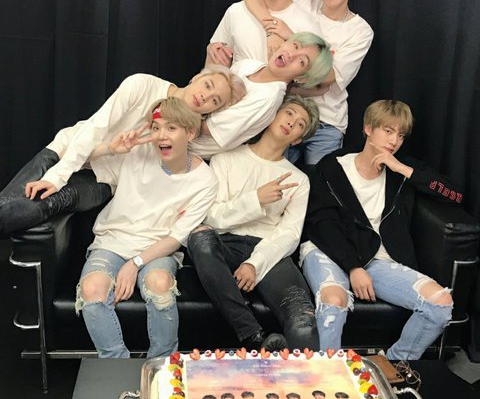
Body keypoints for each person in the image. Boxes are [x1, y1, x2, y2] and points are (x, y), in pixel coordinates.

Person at [0, 67, 244, 236]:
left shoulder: (186, 134)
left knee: (40, 205)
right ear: (196, 77)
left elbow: (233, 137)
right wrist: (56, 176)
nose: (205, 96)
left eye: (215, 101)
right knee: (8, 203)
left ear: (211, 112)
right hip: (67, 152)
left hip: (102, 180)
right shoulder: (141, 85)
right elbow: (95, 128)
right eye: (207, 85)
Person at [301, 100, 458, 360]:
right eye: (388, 131)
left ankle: (391, 366)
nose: (394, 141)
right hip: (328, 250)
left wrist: (403, 170)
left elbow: (454, 195)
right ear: (368, 128)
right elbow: (322, 223)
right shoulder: (333, 166)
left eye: (401, 135)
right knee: (334, 302)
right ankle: (329, 375)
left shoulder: (400, 169)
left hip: (378, 259)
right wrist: (353, 267)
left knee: (441, 303)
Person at [75, 97, 218, 358]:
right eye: (156, 127)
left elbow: (176, 237)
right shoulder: (136, 153)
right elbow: (78, 158)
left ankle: (161, 365)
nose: (162, 135)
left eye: (171, 128)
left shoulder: (205, 179)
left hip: (158, 249)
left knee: (159, 284)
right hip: (113, 240)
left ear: (190, 133)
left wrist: (135, 263)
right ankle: (117, 365)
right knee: (92, 289)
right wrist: (111, 148)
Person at [187, 96, 320, 352]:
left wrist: (254, 264)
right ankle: (252, 335)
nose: (291, 122)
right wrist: (256, 199)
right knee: (200, 236)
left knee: (303, 321)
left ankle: (304, 376)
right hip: (224, 244)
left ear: (297, 140)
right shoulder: (225, 159)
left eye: (300, 124)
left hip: (269, 250)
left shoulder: (298, 179)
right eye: (289, 113)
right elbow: (211, 216)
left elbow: (290, 234)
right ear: (273, 115)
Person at [240, 0, 374, 167]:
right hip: (285, 112)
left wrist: (289, 36)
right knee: (272, 173)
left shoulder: (360, 31)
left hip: (326, 120)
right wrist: (271, 29)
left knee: (320, 180)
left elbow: (327, 78)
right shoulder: (305, 1)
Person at [190, 32, 332, 160]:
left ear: (301, 78)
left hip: (188, 147)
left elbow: (207, 128)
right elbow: (203, 92)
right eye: (295, 46)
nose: (291, 55)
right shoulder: (249, 65)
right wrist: (212, 63)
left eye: (301, 62)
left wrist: (184, 100)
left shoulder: (267, 99)